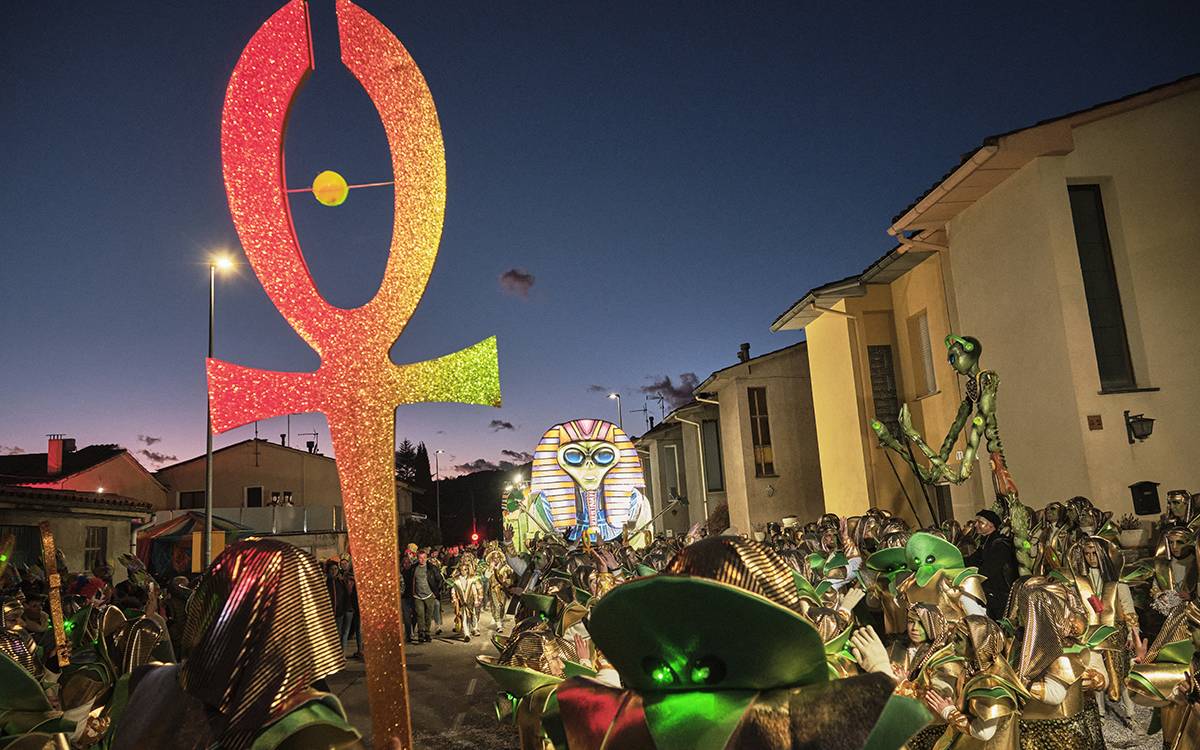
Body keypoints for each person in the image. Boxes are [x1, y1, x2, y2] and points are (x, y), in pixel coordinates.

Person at [964, 508, 1017, 620]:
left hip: (1001, 590)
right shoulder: (986, 540)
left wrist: (975, 575)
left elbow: (991, 568)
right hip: (990, 588)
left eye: (980, 522)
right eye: (976, 522)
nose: (976, 525)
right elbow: (973, 559)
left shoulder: (1000, 543)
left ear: (991, 525)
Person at [402, 551, 443, 643]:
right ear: (417, 558)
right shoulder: (414, 568)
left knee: (428, 615)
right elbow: (409, 580)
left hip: (429, 595)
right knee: (420, 615)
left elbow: (440, 580)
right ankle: (421, 633)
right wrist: (413, 593)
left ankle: (427, 633)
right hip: (417, 596)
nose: (422, 559)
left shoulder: (432, 568)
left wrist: (435, 593)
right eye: (420, 558)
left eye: (424, 557)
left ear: (427, 557)